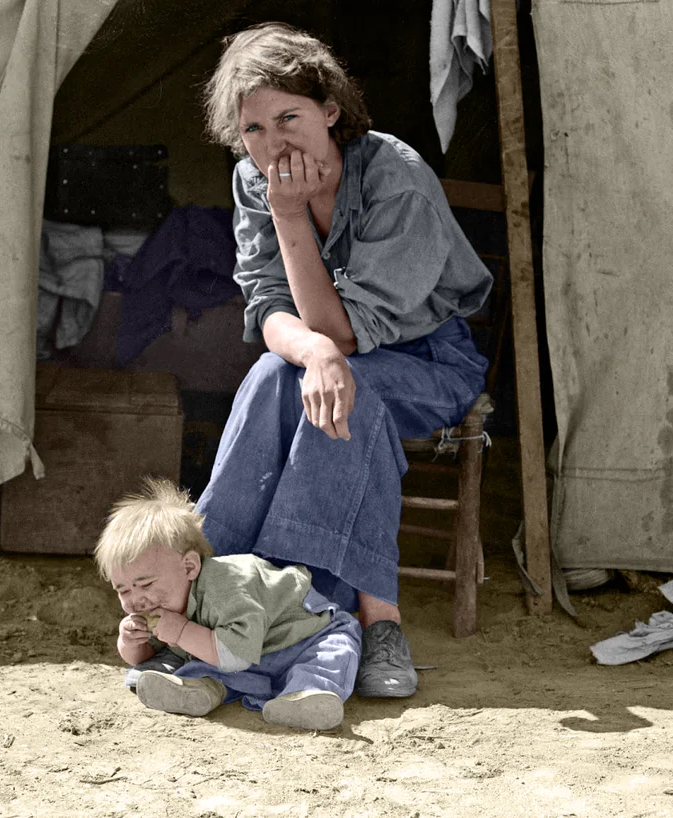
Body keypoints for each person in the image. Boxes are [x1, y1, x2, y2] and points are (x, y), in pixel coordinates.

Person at [145, 22, 493, 699]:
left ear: (330, 111)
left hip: (430, 359)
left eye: (289, 118)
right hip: (334, 359)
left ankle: (351, 621)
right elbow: (271, 310)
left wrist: (290, 217)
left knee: (347, 384)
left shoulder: (395, 176)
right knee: (273, 372)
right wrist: (313, 352)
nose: (272, 144)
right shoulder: (256, 180)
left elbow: (346, 330)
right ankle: (213, 600)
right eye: (253, 130)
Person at [95, 478, 362, 731]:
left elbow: (236, 655)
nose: (135, 599)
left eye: (145, 584)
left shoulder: (228, 587)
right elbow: (149, 655)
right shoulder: (163, 602)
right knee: (201, 662)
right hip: (249, 653)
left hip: (305, 637)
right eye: (123, 589)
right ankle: (196, 689)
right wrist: (132, 643)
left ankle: (306, 697)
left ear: (189, 566)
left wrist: (180, 631)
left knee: (332, 656)